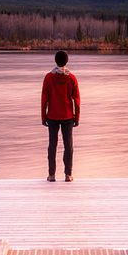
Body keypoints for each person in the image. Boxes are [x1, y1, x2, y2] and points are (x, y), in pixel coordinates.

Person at [40, 50, 80, 182]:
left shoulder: (49, 77)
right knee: (68, 146)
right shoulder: (72, 78)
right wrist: (77, 116)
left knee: (52, 145)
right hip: (68, 116)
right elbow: (76, 99)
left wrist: (43, 116)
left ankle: (52, 175)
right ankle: (68, 174)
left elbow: (44, 98)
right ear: (66, 61)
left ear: (55, 61)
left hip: (52, 116)